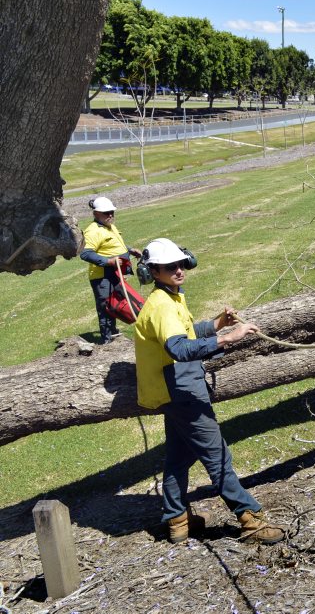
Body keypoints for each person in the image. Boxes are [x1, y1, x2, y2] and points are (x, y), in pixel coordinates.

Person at [133, 237, 286, 545]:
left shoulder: (170, 297)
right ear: (153, 272)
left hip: (172, 389)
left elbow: (185, 331)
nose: (178, 270)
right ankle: (250, 520)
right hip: (181, 389)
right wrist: (228, 338)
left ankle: (177, 520)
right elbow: (179, 347)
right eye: (169, 267)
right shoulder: (162, 306)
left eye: (180, 263)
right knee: (217, 457)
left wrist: (216, 324)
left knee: (178, 456)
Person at [79, 196, 142, 344]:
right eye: (106, 213)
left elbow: (113, 244)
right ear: (96, 214)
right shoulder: (93, 231)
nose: (110, 215)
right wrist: (109, 261)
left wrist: (130, 250)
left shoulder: (109, 226)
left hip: (114, 273)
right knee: (106, 307)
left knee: (117, 303)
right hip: (102, 276)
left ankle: (113, 334)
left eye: (112, 212)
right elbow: (85, 253)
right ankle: (107, 341)